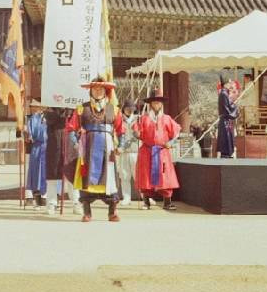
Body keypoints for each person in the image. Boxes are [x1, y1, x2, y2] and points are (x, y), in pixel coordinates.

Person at [65, 77, 125, 222]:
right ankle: (87, 212)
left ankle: (112, 212)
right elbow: (71, 128)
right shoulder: (81, 108)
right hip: (88, 148)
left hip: (108, 148)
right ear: (90, 91)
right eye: (95, 89)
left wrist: (121, 145)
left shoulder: (114, 109)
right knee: (87, 177)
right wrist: (75, 143)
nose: (98, 91)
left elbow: (121, 130)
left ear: (105, 91)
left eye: (101, 89)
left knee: (110, 177)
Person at [133, 92, 181, 211]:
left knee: (165, 177)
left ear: (161, 104)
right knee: (145, 176)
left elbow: (176, 133)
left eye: (159, 102)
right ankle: (146, 202)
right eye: (154, 102)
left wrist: (171, 142)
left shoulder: (166, 118)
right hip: (147, 150)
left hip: (161, 151)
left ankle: (167, 202)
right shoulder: (143, 118)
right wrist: (137, 132)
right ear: (150, 104)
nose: (156, 104)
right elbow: (137, 132)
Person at [22, 99, 48, 208]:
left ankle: (45, 198)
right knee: (33, 174)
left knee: (46, 174)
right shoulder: (29, 118)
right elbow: (22, 135)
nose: (33, 108)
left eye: (35, 106)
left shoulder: (48, 118)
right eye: (32, 106)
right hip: (33, 149)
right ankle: (30, 197)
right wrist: (23, 132)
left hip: (47, 148)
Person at [116, 99, 140, 206]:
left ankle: (145, 197)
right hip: (123, 153)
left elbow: (137, 136)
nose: (130, 111)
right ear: (123, 109)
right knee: (124, 175)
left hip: (135, 151)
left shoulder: (138, 120)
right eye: (127, 109)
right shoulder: (119, 120)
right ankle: (126, 197)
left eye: (132, 109)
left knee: (138, 175)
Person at [216, 79, 239, 158]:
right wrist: (235, 107)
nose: (230, 85)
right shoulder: (223, 94)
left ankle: (227, 153)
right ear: (225, 84)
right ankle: (226, 154)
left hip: (226, 119)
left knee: (227, 137)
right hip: (225, 119)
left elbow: (229, 105)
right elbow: (227, 109)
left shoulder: (224, 93)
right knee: (226, 138)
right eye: (229, 83)